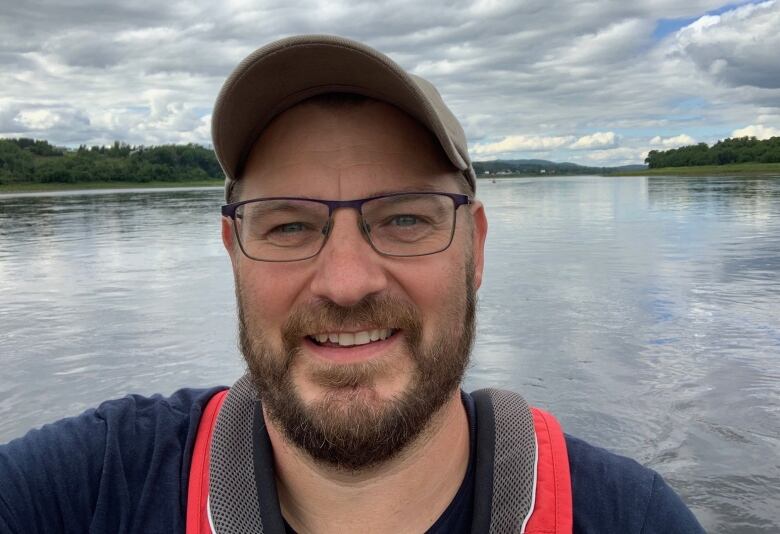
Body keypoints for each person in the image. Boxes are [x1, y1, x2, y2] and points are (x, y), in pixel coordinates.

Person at [0, 35, 705, 533]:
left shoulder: (628, 516)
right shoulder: (89, 491)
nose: (344, 283)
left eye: (403, 219)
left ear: (476, 247)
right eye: (288, 227)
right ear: (233, 250)